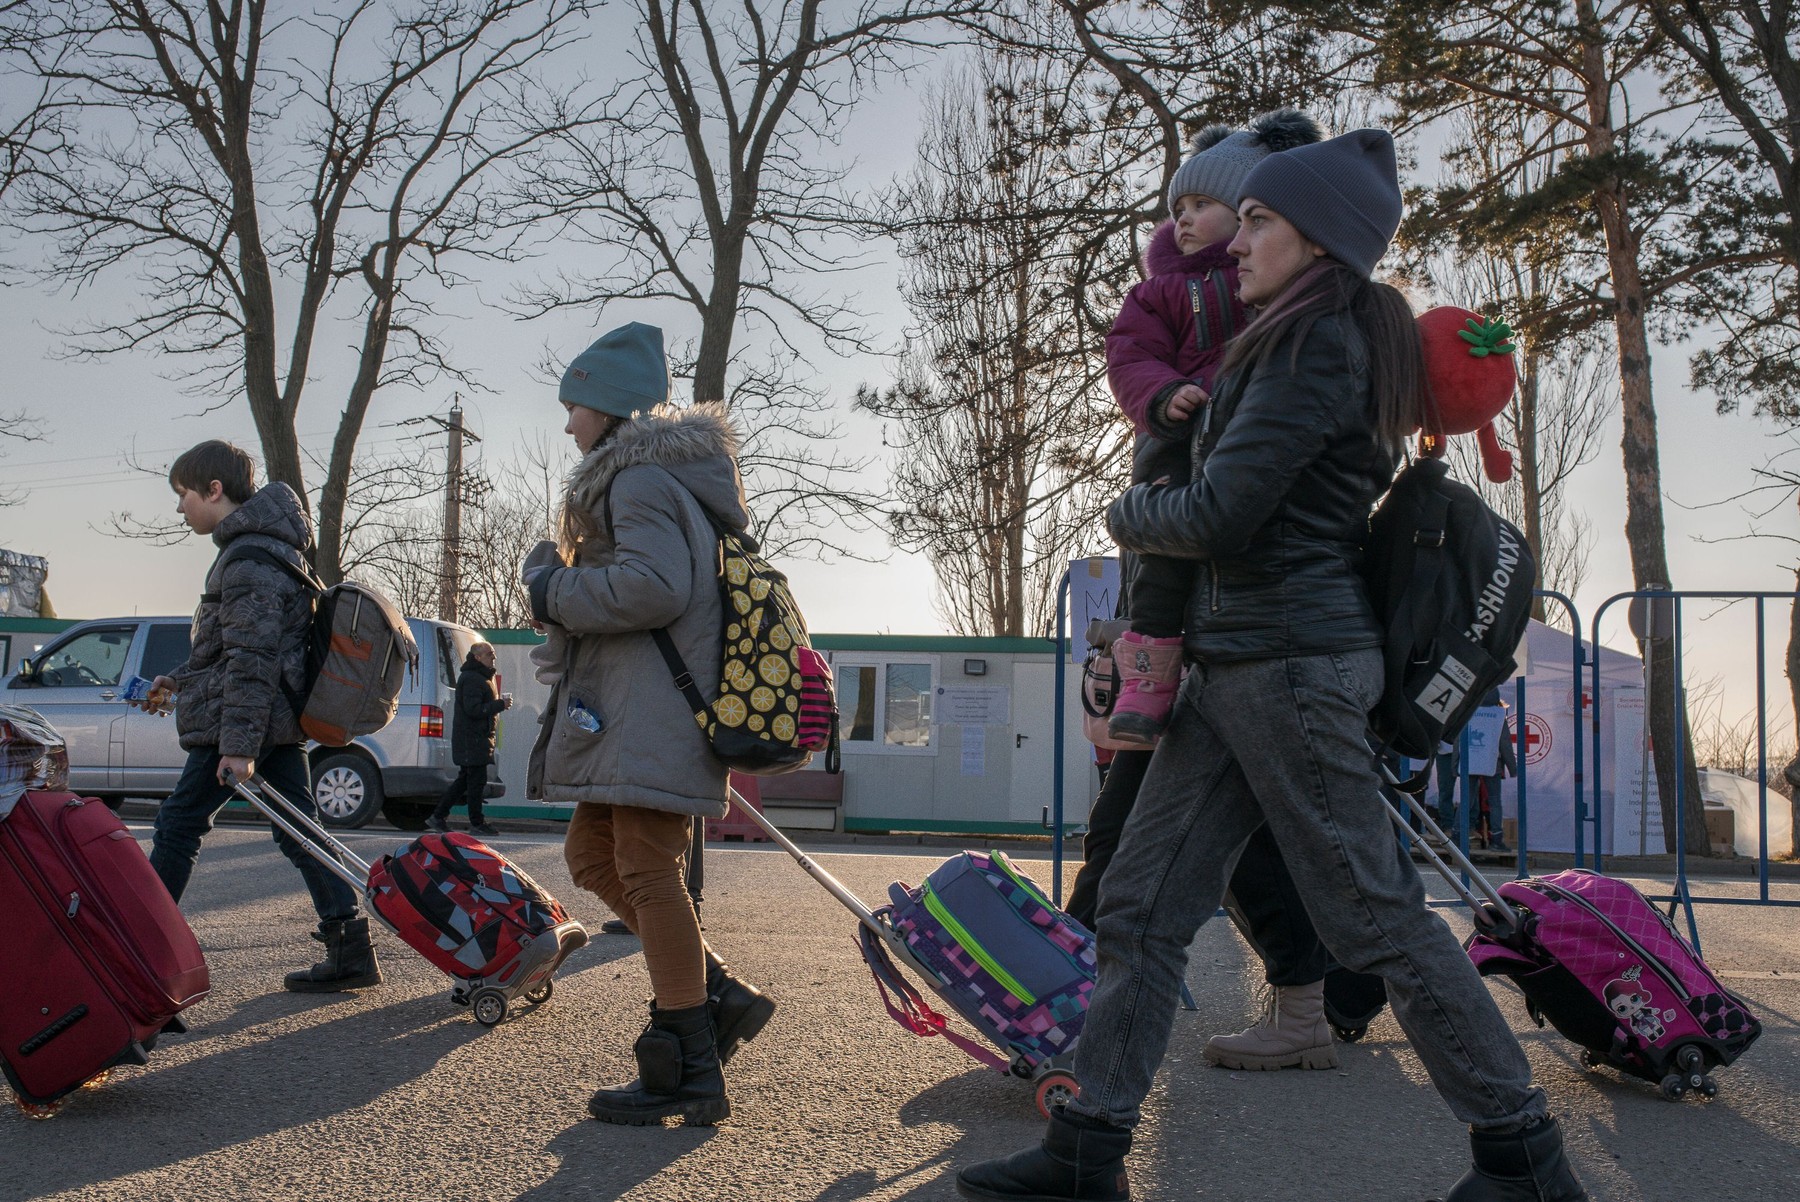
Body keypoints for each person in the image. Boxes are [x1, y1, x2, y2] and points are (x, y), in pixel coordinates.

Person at [957, 130, 1586, 1202]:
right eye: (1237, 217)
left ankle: (1521, 1150)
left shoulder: (1318, 345)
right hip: (1244, 658)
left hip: (1292, 663)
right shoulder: (1292, 334)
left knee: (1375, 915)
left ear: (1318, 238)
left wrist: (1124, 507)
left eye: (1258, 220)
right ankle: (1088, 1145)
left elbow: (1221, 509)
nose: (1232, 238)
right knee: (1144, 906)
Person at [522, 321, 774, 1127]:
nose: (568, 425)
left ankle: (687, 1063)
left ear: (608, 406)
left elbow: (654, 587)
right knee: (591, 854)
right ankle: (715, 993)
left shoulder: (638, 482)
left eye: (575, 406)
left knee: (645, 867)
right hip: (640, 709)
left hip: (652, 712)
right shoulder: (661, 481)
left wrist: (550, 590)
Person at [1103, 108, 1323, 745]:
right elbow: (1129, 353)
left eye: (1203, 203)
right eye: (1181, 207)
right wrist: (1162, 395)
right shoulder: (1160, 293)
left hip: (1246, 442)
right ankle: (1149, 670)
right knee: (1161, 552)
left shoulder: (1282, 285)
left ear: (1249, 212)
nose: (1186, 219)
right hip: (1176, 436)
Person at [139, 440, 380, 993]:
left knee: (178, 828)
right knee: (302, 834)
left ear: (214, 490)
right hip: (269, 718)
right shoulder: (266, 549)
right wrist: (176, 680)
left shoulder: (248, 559)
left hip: (242, 722)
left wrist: (240, 745)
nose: (180, 509)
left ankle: (139, 947)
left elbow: (253, 660)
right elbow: (231, 650)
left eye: (183, 495)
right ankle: (350, 948)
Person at [426, 641, 511, 835]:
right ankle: (476, 822)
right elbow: (473, 709)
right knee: (475, 782)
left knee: (466, 781)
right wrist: (499, 704)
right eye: (490, 654)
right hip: (472, 739)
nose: (493, 657)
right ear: (477, 657)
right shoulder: (473, 678)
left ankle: (438, 816)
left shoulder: (479, 677)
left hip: (476, 739)